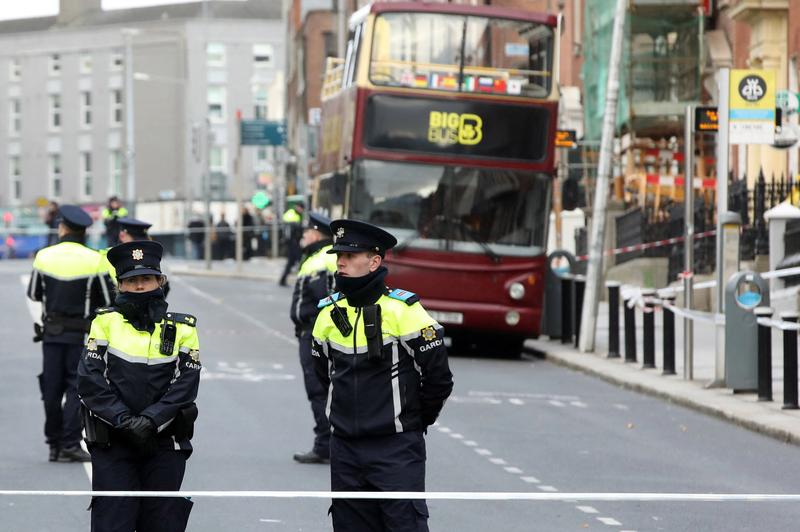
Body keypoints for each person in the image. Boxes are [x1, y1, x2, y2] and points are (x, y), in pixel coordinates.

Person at [312, 219, 454, 532]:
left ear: (375, 261)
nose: (341, 262)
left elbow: (439, 377)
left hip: (395, 448)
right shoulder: (326, 314)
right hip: (345, 449)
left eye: (350, 255)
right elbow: (323, 377)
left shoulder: (403, 310)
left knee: (405, 526)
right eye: (339, 255)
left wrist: (413, 420)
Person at [77, 240, 200, 532]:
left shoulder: (183, 328)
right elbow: (90, 379)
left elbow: (187, 383)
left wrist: (150, 421)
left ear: (161, 280)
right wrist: (125, 421)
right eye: (132, 281)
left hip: (165, 443)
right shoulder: (104, 323)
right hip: (114, 443)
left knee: (162, 522)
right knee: (113, 522)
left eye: (146, 279)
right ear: (120, 285)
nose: (140, 286)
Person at [26, 205, 114, 462]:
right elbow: (107, 298)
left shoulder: (44, 256)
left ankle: (53, 444)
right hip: (80, 337)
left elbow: (34, 293)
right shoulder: (95, 260)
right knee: (77, 389)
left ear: (63, 228)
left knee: (51, 389)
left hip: (52, 335)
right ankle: (69, 442)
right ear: (84, 231)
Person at [289, 212, 337, 464]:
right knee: (321, 390)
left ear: (316, 234)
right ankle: (327, 442)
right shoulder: (317, 258)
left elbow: (328, 302)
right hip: (311, 333)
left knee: (318, 390)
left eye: (307, 231)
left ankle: (325, 445)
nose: (303, 235)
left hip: (316, 335)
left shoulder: (323, 260)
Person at [279, 202, 304, 286]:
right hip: (292, 243)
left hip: (294, 243)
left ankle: (283, 279)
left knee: (292, 262)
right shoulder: (292, 214)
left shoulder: (297, 215)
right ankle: (302, 281)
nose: (301, 210)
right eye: (301, 208)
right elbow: (293, 228)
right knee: (299, 261)